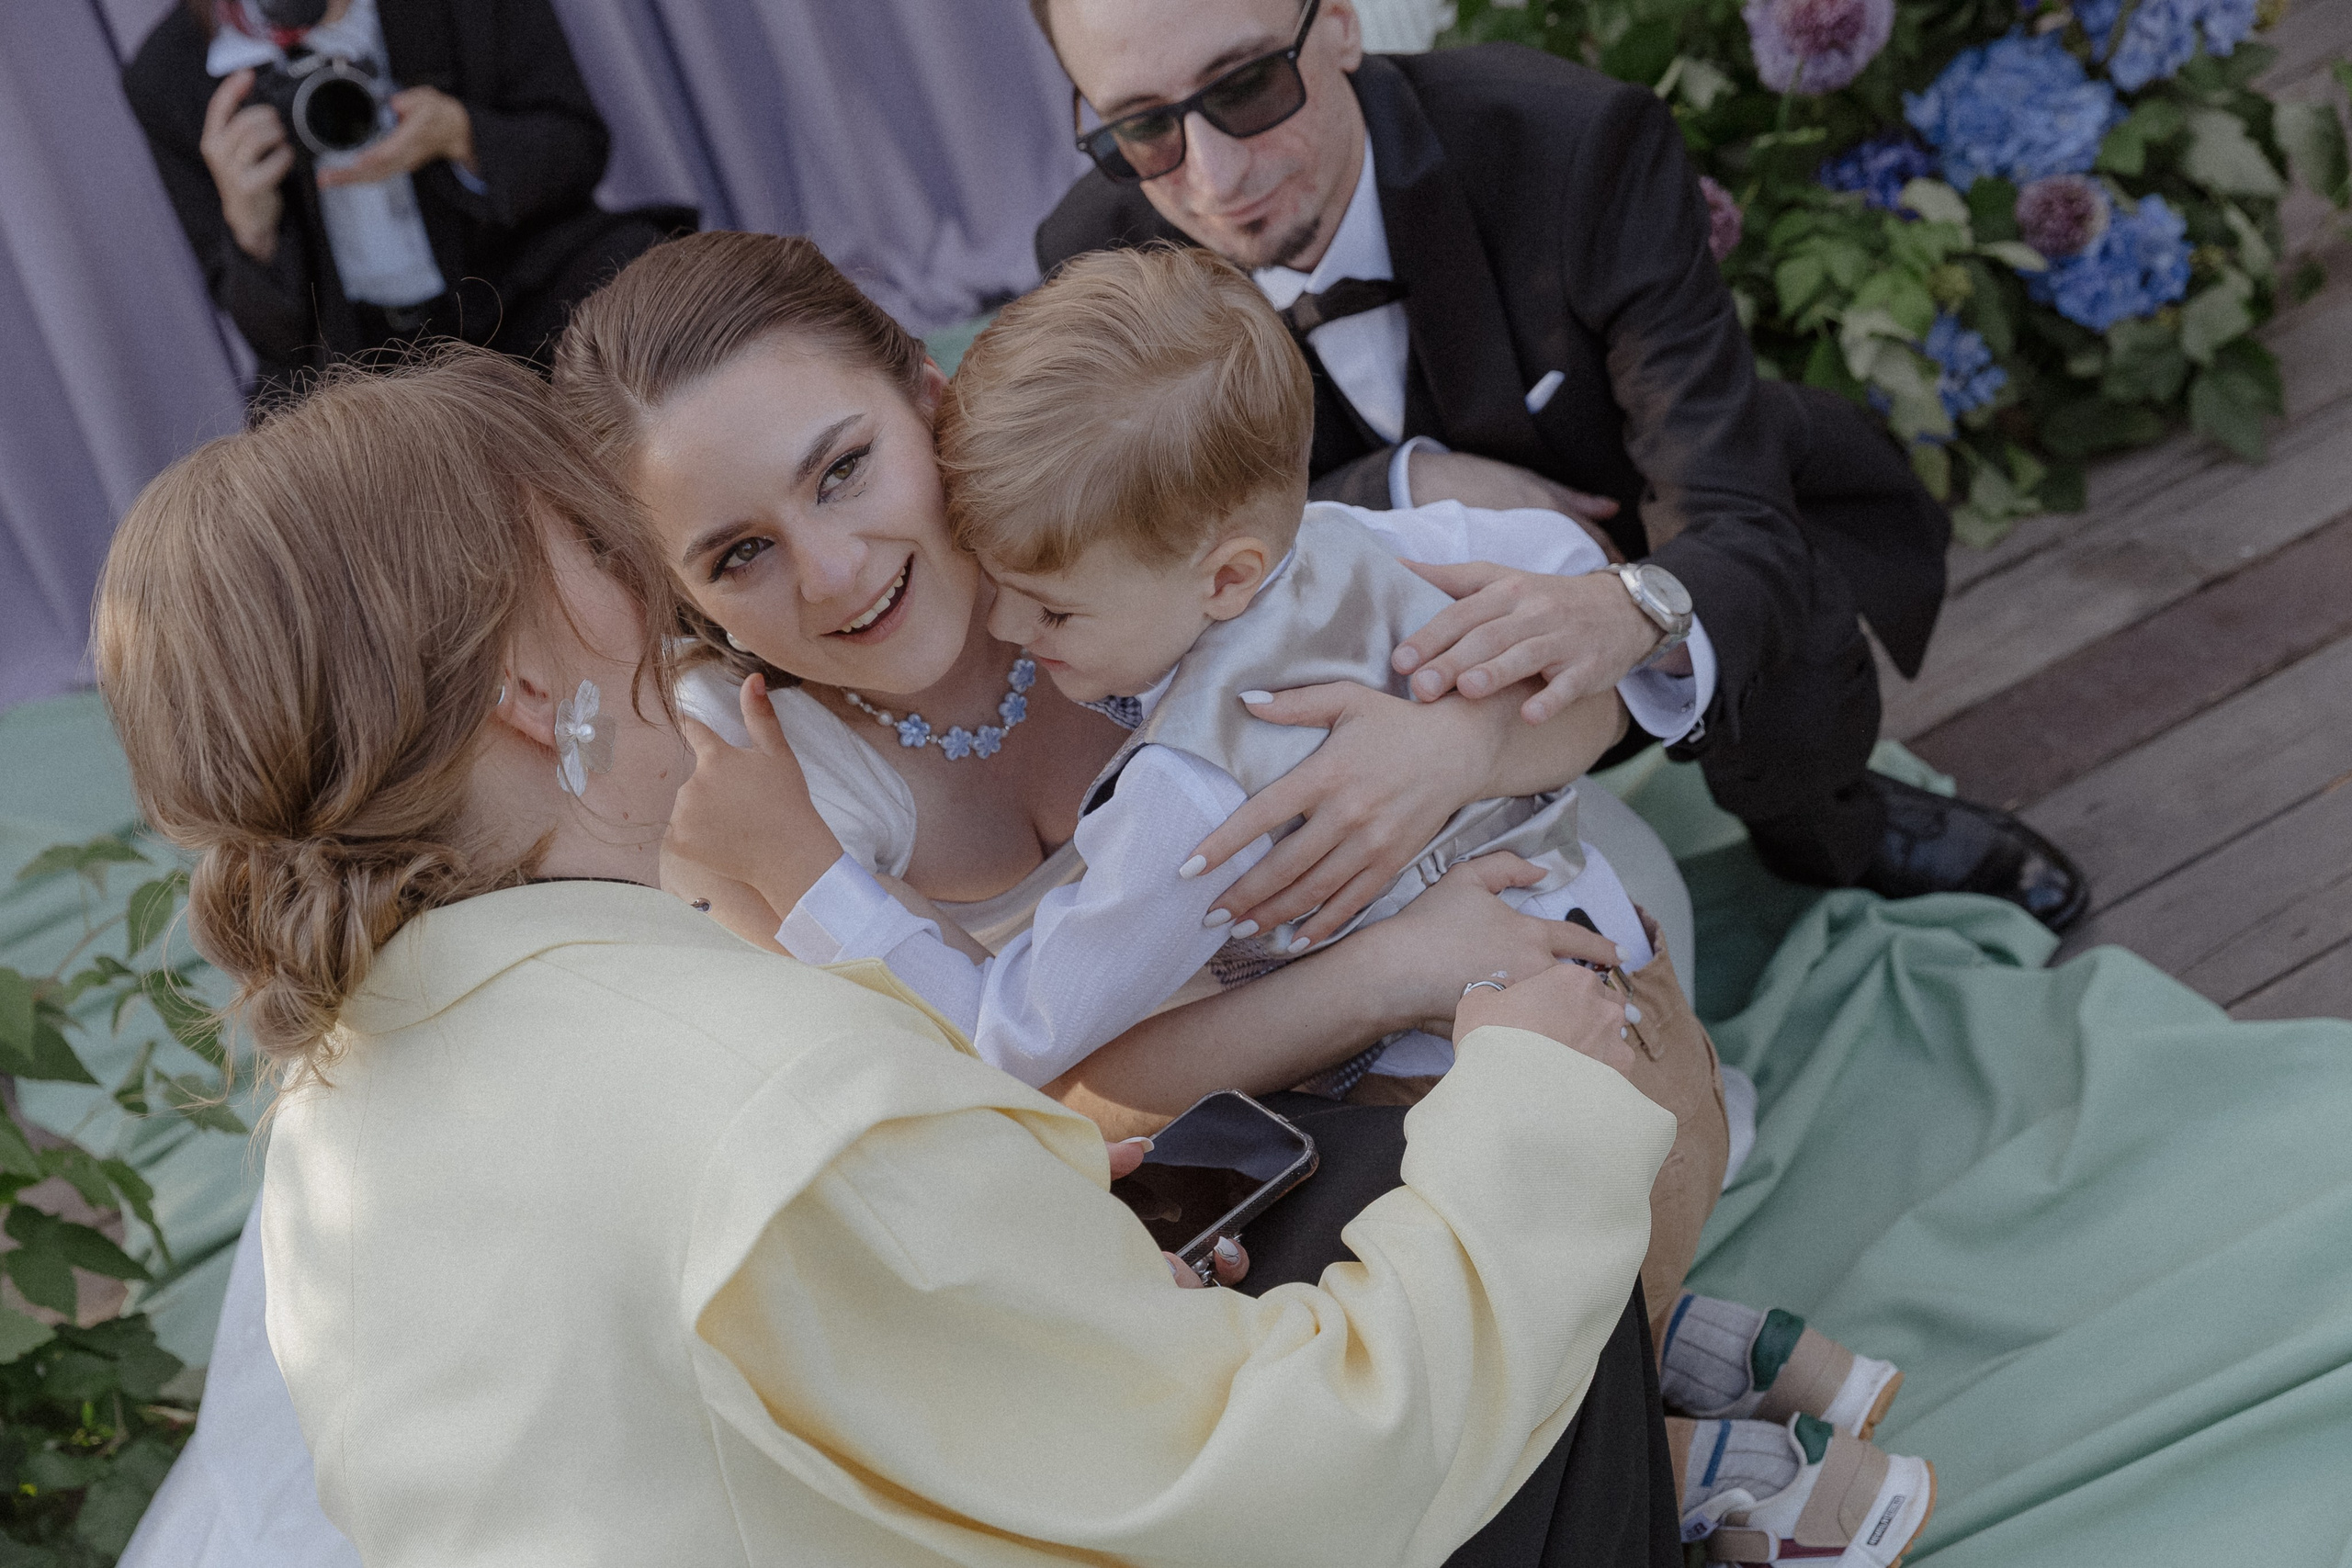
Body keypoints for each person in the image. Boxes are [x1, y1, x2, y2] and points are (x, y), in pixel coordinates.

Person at [97, 344, 1684, 1566]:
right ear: (527, 682)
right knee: (1519, 1204)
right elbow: (1284, 1486)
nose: (654, 607)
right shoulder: (773, 1085)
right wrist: (1532, 1107)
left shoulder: (329, 1127)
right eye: (609, 551)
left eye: (847, 470)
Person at [659, 242, 1932, 1562]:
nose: (825, 570)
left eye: (843, 467)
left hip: (1495, 1011)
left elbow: (1576, 636)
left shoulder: (1131, 516)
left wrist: (1461, 743)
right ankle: (1676, 1393)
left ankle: (1652, 1410)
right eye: (739, 550)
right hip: (1277, 1105)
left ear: (935, 397)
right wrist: (1394, 964)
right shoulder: (753, 779)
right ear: (678, 587)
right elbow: (966, 1104)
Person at [1026, 0, 2091, 933]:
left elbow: (1729, 511)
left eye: (1249, 84)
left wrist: (1630, 605)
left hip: (1637, 527)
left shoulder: (1572, 144)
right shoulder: (1107, 259)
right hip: (1344, 623)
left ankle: (1829, 823)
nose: (1212, 176)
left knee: (1761, 571)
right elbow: (1163, 540)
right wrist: (1409, 482)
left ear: (1341, 22)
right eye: (1141, 127)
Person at [122, 0, 691, 404]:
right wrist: (252, 231)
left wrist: (461, 135)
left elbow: (577, 148)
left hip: (521, 288)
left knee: (652, 309)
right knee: (294, 474)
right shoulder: (169, 73)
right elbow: (275, 339)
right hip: (359, 360)